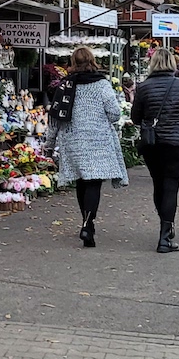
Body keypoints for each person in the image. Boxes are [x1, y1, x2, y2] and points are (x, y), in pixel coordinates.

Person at [45, 45, 129, 249]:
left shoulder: (65, 85)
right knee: (94, 183)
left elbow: (55, 118)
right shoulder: (102, 84)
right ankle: (88, 224)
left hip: (73, 140)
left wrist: (49, 144)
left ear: (73, 63)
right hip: (97, 140)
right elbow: (115, 113)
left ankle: (85, 221)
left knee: (82, 182)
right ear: (92, 61)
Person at [130, 47, 179, 253]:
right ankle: (165, 234)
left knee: (158, 184)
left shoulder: (143, 87)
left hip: (153, 143)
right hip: (178, 143)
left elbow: (135, 117)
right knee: (171, 187)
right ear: (172, 64)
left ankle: (165, 226)